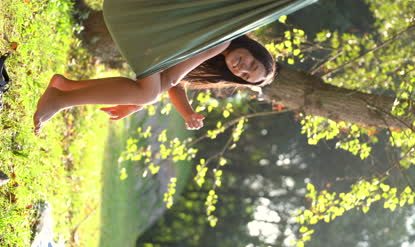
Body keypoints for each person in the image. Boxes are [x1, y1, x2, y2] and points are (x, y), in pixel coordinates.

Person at [33, 36, 276, 133]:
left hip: (160, 48)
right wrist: (135, 104)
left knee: (147, 94)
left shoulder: (220, 58)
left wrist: (187, 112)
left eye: (244, 75)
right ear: (253, 49)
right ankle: (60, 98)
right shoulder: (223, 42)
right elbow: (169, 79)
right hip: (158, 37)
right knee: (147, 94)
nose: (241, 68)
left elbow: (176, 83)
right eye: (251, 64)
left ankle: (66, 87)